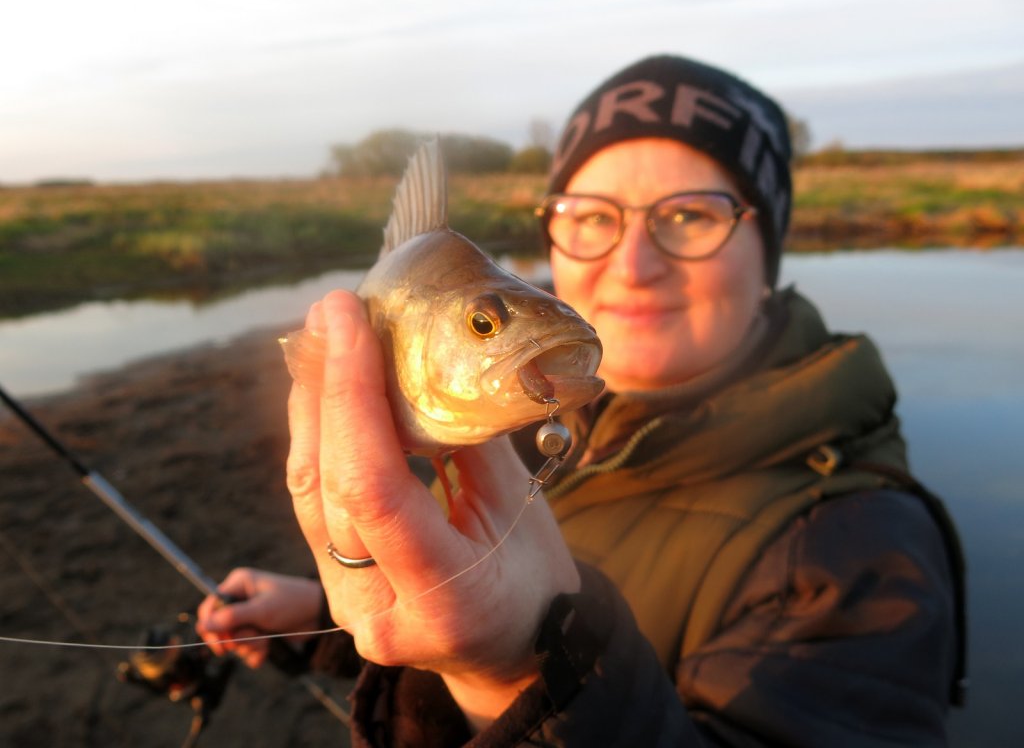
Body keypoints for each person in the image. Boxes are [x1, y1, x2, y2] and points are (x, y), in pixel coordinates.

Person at [197, 54, 965, 746]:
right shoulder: (535, 422)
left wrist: (516, 674)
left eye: (691, 215)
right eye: (592, 216)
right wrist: (316, 620)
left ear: (770, 249)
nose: (632, 265)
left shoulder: (860, 546)